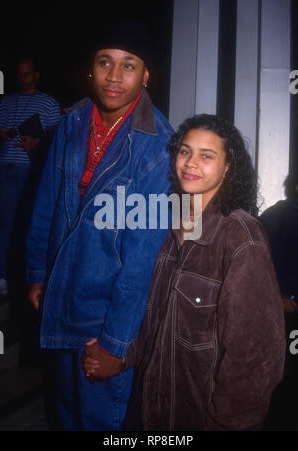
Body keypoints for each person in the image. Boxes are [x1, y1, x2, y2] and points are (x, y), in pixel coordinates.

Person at [84, 114, 286, 430]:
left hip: (201, 417)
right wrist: (120, 354)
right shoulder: (163, 224)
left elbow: (256, 357)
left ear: (228, 166)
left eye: (207, 156)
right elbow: (152, 316)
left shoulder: (241, 238)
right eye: (185, 151)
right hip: (148, 409)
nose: (191, 163)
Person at [26, 22, 173, 431]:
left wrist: (116, 343)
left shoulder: (158, 146)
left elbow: (142, 260)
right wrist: (39, 274)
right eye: (105, 62)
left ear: (145, 76)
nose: (113, 75)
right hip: (61, 298)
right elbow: (47, 204)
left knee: (99, 422)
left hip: (105, 315)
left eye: (129, 66)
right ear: (91, 69)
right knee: (65, 413)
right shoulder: (72, 123)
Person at [0, 57, 61, 298]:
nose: (23, 79)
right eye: (20, 74)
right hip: (6, 164)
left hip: (33, 170)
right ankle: (3, 275)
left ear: (36, 75)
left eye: (27, 74)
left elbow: (57, 137)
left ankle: (30, 277)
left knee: (30, 224)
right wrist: (2, 134)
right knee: (5, 223)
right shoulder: (7, 101)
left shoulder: (47, 102)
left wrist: (37, 142)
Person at [260, 172, 298, 430]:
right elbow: (253, 266)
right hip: (285, 320)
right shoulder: (276, 217)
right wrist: (276, 295)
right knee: (285, 391)